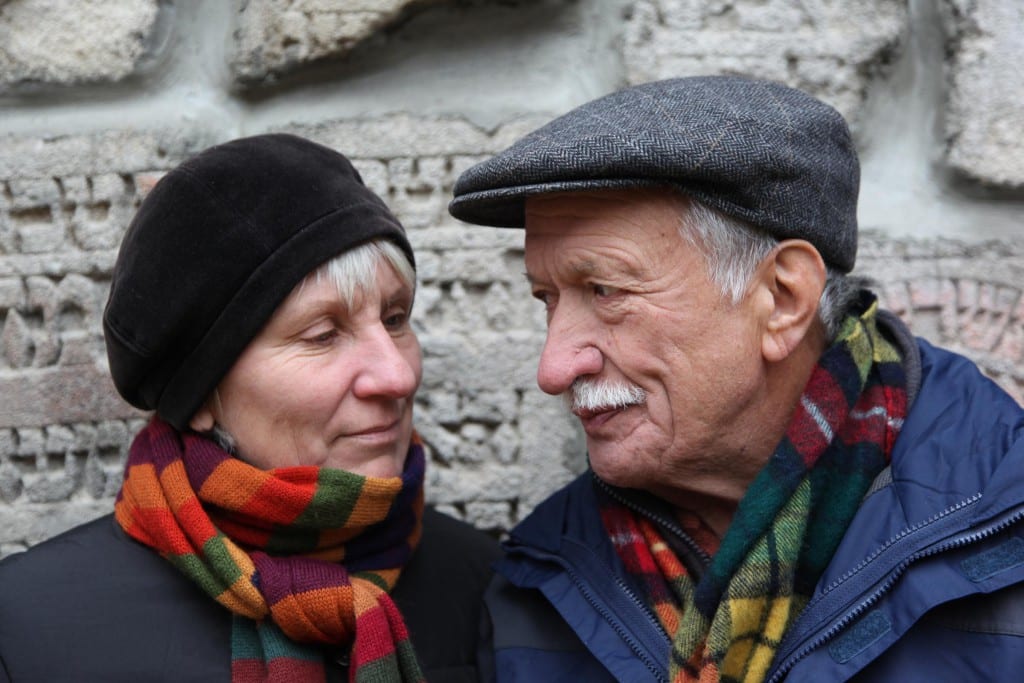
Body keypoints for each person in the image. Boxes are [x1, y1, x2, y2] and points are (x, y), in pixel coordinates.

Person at [448, 75, 1024, 682]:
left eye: (605, 291)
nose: (554, 368)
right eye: (548, 298)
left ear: (781, 298)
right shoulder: (534, 590)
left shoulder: (1001, 542)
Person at [0, 133, 500, 682]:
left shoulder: (488, 587)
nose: (398, 375)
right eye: (322, 334)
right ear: (200, 396)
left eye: (396, 318)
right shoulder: (31, 630)